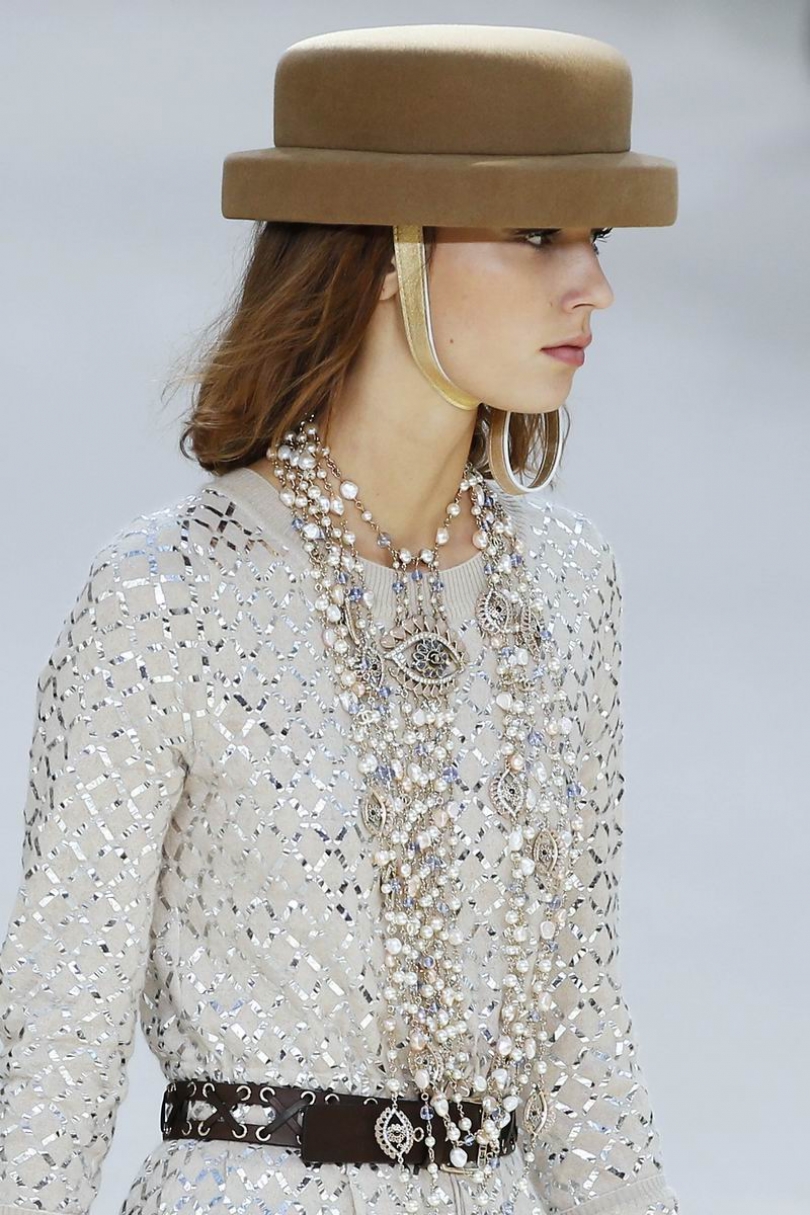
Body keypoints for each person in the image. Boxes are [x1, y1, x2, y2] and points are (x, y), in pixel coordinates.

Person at [0, 23, 681, 1215]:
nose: (594, 287)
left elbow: (574, 1021)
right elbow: (58, 1041)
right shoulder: (164, 596)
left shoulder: (569, 585)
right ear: (383, 255)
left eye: (596, 239)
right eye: (537, 236)